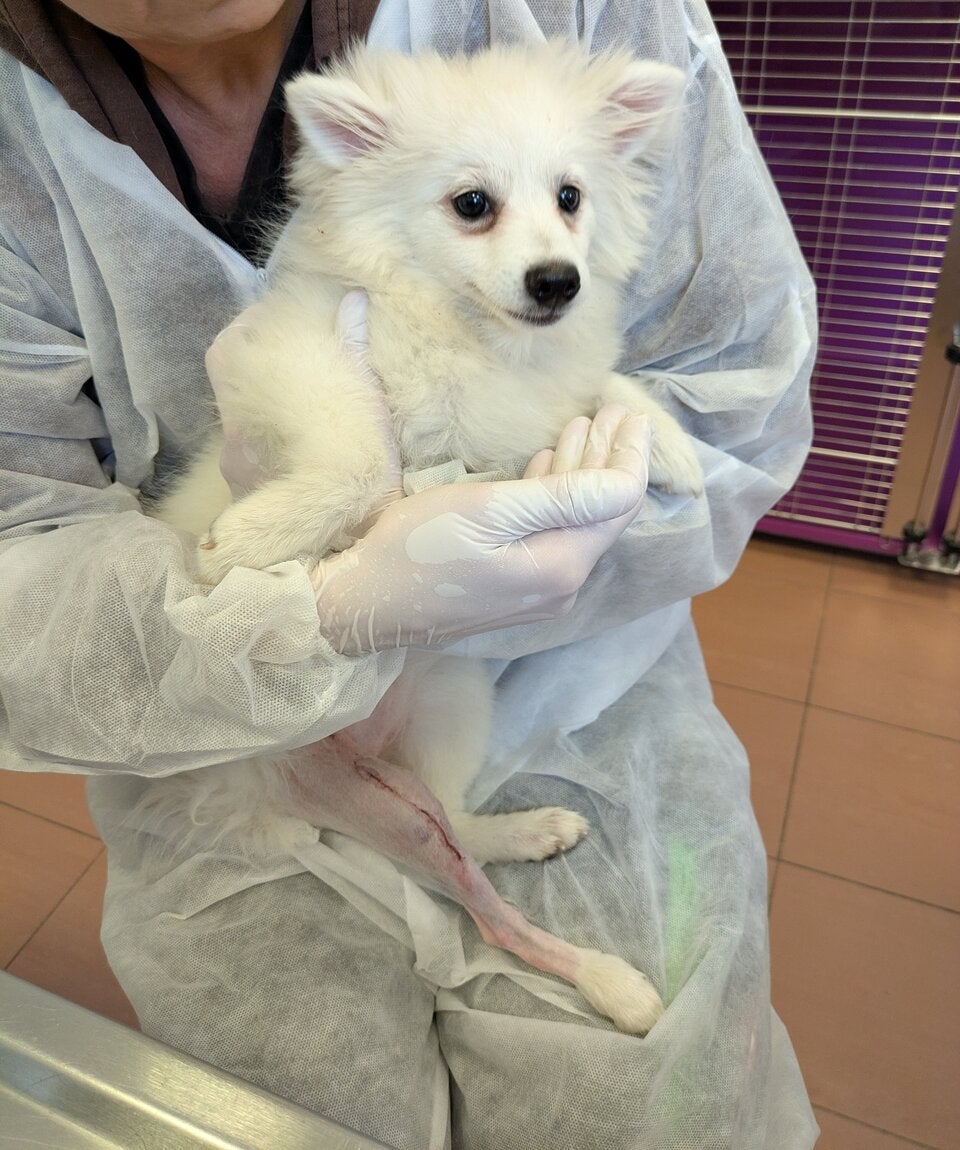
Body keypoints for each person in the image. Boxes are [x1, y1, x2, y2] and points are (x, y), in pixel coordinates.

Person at [0, 1, 819, 1147]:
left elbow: (737, 395)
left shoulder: (570, 27)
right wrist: (322, 595)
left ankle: (465, 835)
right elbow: (21, 547)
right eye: (476, 206)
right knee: (284, 1108)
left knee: (646, 1109)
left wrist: (597, 484)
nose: (547, 249)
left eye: (567, 200)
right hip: (199, 729)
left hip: (568, 713)